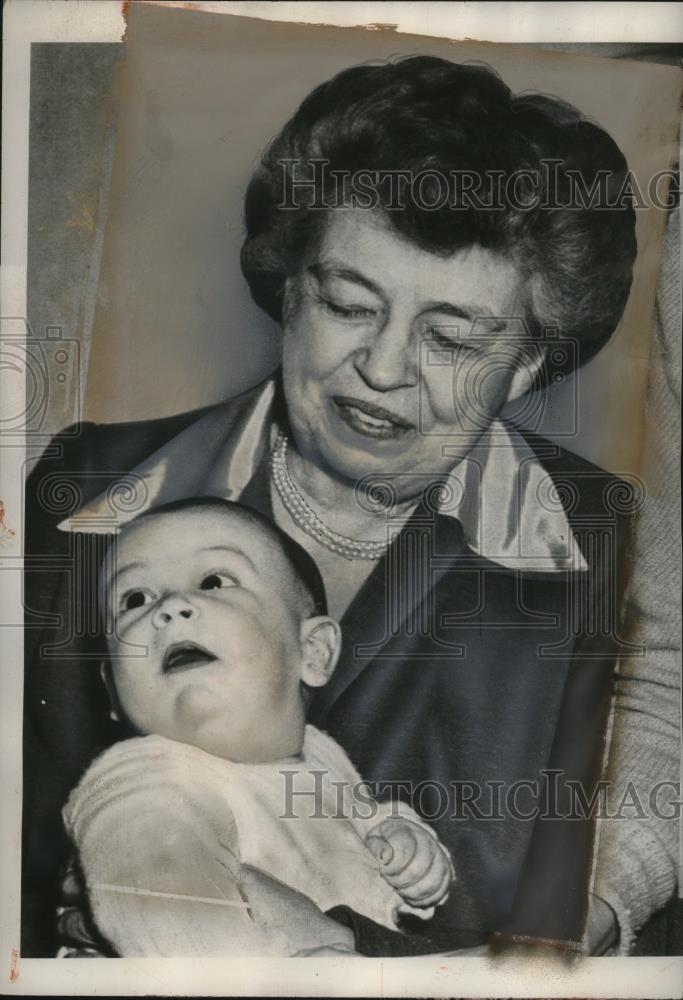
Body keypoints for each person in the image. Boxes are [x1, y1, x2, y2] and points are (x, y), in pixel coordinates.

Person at [23, 55, 640, 956]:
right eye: (348, 305)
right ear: (288, 288)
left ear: (528, 365)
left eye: (450, 337)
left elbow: (575, 921)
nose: (384, 369)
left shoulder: (618, 551)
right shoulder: (86, 487)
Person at [61, 498, 455, 957]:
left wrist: (408, 848)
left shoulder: (322, 756)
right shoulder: (143, 780)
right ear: (110, 687)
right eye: (134, 599)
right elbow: (176, 924)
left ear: (313, 652)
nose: (168, 608)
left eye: (213, 581)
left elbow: (368, 826)